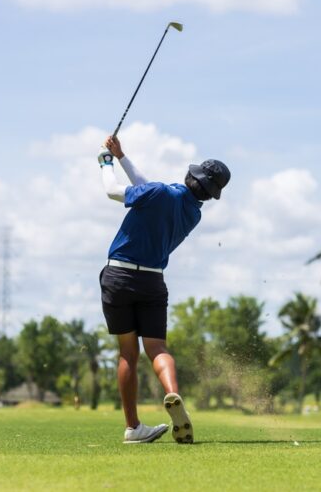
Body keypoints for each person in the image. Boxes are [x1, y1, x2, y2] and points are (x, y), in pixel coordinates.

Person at [97, 135, 230, 444]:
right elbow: (148, 189)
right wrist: (122, 157)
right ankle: (172, 394)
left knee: (128, 354)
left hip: (119, 276)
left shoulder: (159, 193)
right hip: (153, 282)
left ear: (190, 175)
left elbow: (113, 191)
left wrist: (105, 163)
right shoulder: (192, 213)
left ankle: (133, 428)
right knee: (157, 349)